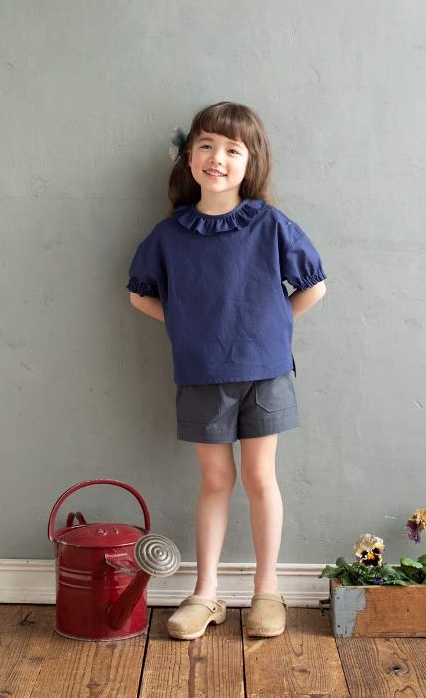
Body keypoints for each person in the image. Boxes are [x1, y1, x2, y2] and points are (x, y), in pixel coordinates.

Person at [127, 101, 327, 640]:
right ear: (189, 157)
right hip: (201, 373)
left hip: (265, 373)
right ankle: (206, 593)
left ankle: (267, 591)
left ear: (250, 161)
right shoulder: (169, 235)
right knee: (215, 480)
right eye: (207, 146)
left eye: (232, 149)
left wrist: (269, 329)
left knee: (261, 478)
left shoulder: (270, 225)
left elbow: (314, 287)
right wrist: (188, 326)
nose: (217, 158)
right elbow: (139, 296)